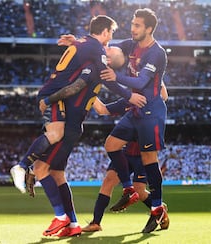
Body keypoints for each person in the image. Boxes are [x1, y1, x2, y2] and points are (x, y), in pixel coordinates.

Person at [10, 15, 146, 194]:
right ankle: (22, 167)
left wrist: (75, 42)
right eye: (111, 33)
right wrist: (129, 96)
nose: (111, 39)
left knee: (54, 156)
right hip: (57, 98)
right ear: (105, 32)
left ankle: (28, 171)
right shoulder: (96, 52)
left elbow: (99, 101)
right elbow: (98, 85)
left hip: (61, 100)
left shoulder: (86, 45)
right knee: (55, 143)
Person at [30, 45, 137, 237]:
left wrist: (48, 100)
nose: (109, 47)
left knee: (40, 169)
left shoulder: (100, 68)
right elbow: (101, 107)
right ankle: (72, 225)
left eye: (113, 49)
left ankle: (62, 217)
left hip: (68, 125)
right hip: (68, 123)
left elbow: (77, 87)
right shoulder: (96, 67)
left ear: (110, 61)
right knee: (57, 174)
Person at [99, 8, 169, 233]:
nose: (133, 28)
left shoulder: (156, 53)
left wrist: (115, 76)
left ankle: (157, 208)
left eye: (138, 25)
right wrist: (79, 43)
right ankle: (129, 188)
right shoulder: (130, 45)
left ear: (149, 29)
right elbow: (108, 48)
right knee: (111, 144)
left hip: (151, 112)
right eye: (133, 24)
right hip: (134, 109)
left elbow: (140, 82)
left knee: (150, 159)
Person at [82, 81, 169, 232]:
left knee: (140, 190)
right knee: (108, 181)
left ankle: (160, 211)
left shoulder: (153, 101)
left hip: (143, 155)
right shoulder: (128, 101)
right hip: (126, 154)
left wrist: (157, 80)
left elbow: (164, 96)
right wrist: (89, 92)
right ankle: (96, 223)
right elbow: (102, 109)